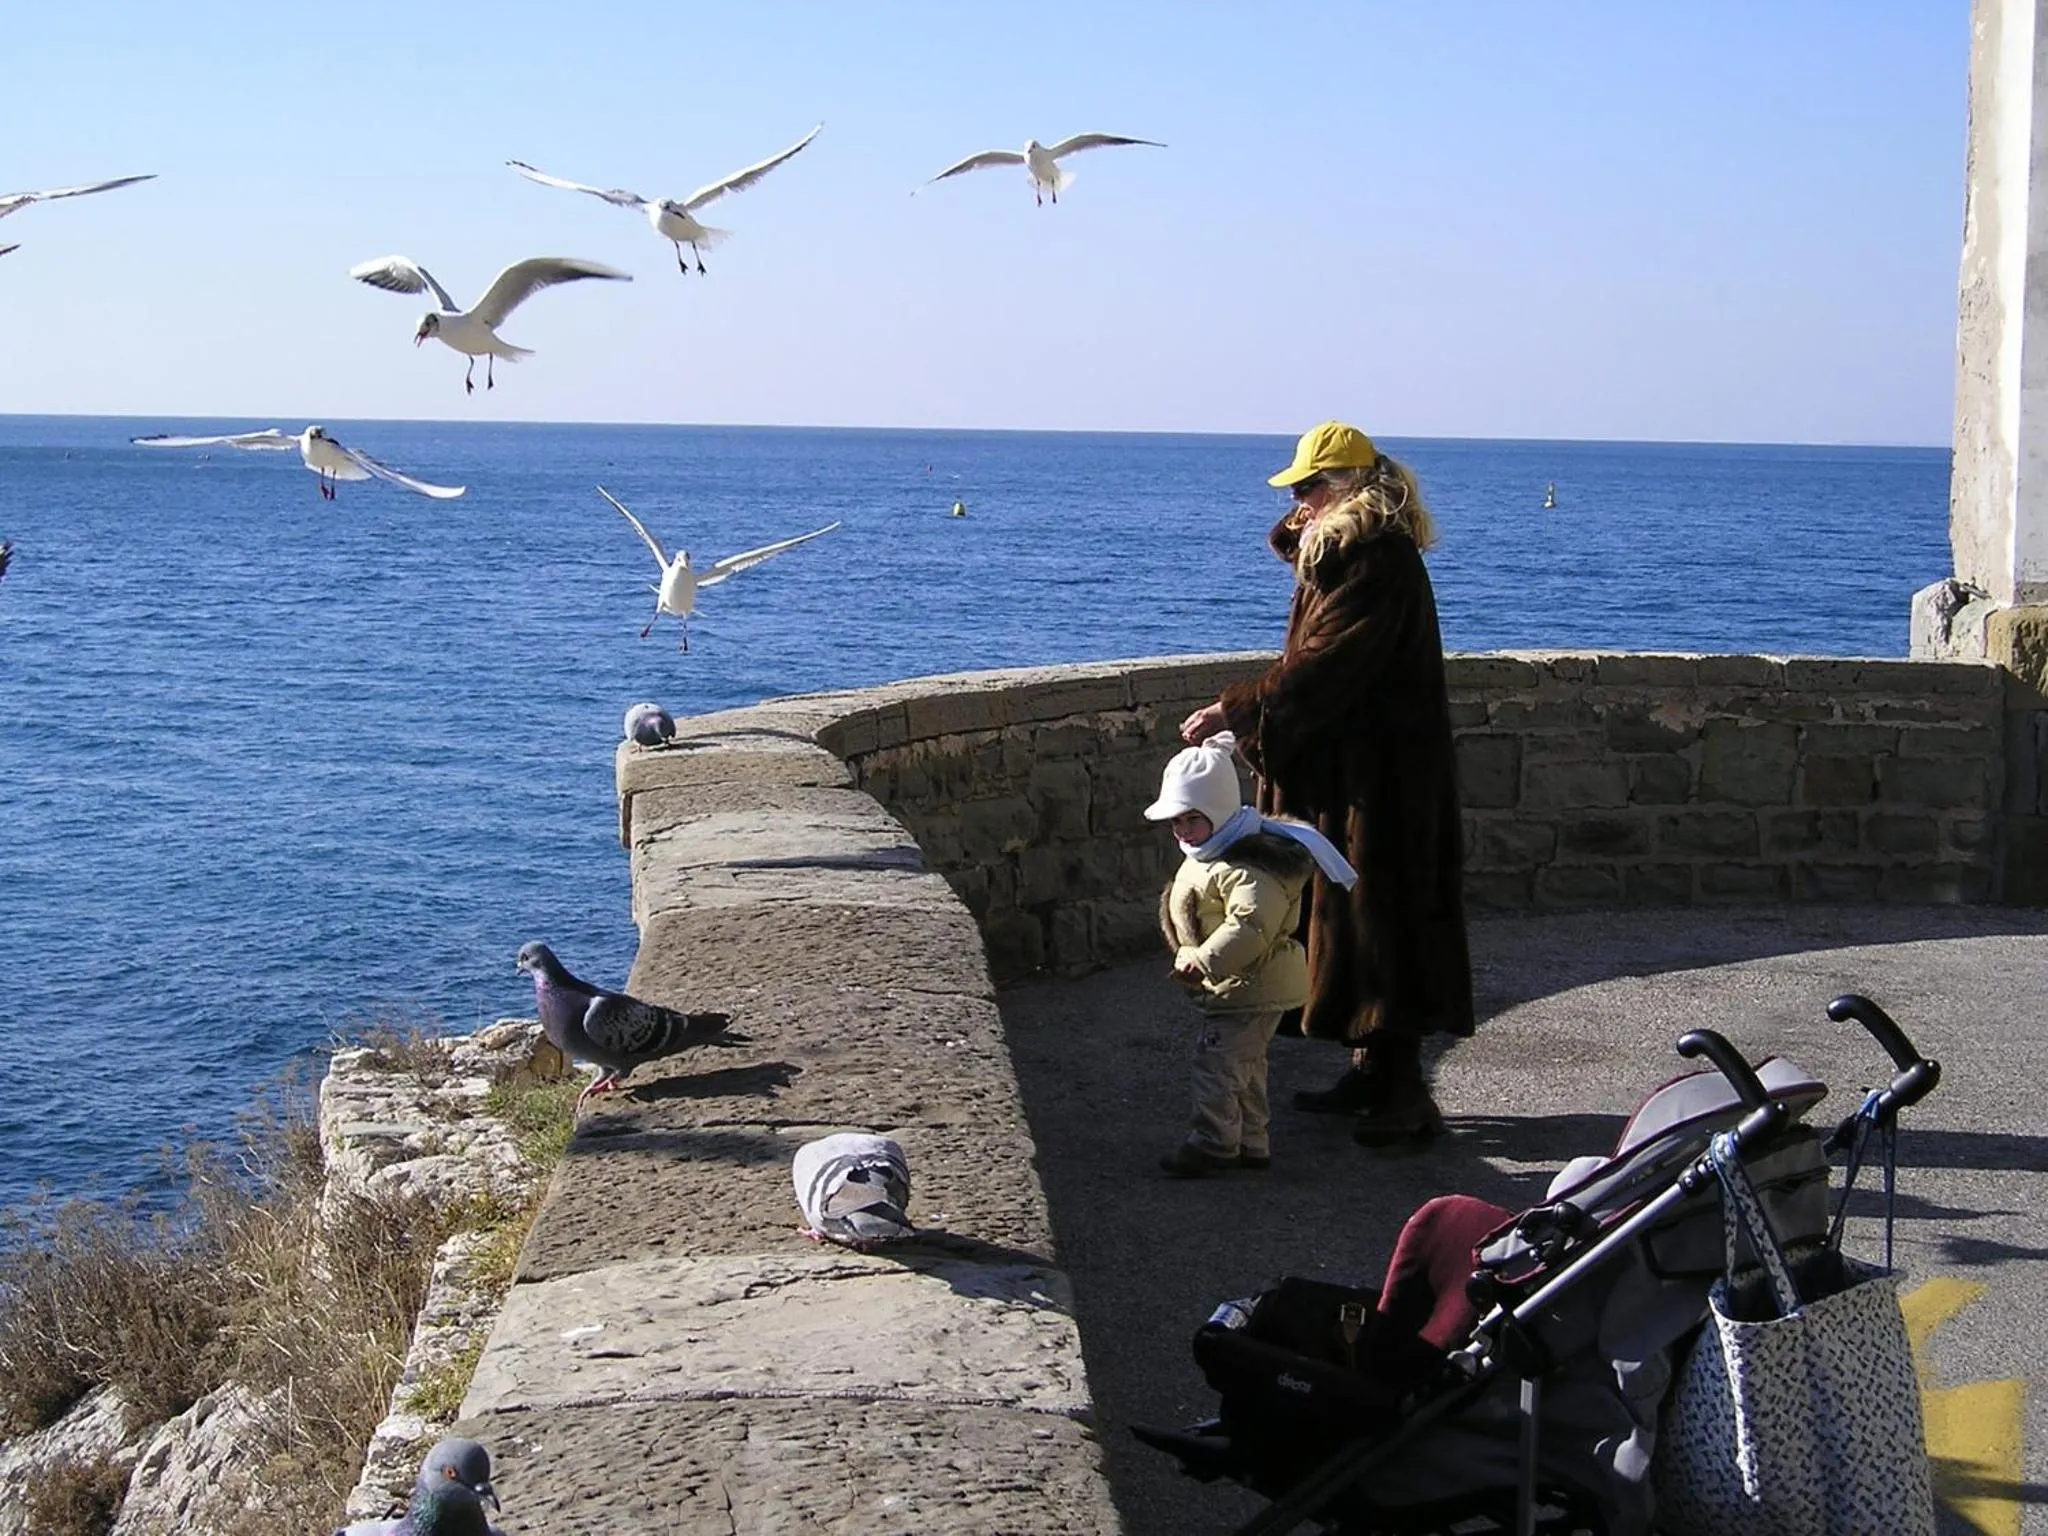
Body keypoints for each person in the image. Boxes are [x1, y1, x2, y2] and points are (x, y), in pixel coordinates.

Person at [1179, 422, 1474, 1147]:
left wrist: (1237, 707)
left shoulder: (1377, 561)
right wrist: (1305, 525)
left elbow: (1326, 666)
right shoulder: (1355, 554)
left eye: (1311, 487)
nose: (1300, 501)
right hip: (1360, 774)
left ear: (1348, 487)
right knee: (1352, 919)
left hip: (1382, 781)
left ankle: (1404, 1094)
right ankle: (1370, 1069)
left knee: (1385, 927)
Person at [1144, 732, 1358, 1178]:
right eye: (1176, 822)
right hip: (1245, 986)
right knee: (1247, 1066)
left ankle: (1214, 1143)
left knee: (1216, 1065)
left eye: (1191, 819)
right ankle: (1251, 1140)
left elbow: (1249, 928)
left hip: (1247, 984)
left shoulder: (1249, 868)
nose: (1182, 831)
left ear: (1217, 814)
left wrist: (1203, 960)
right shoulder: (1216, 850)